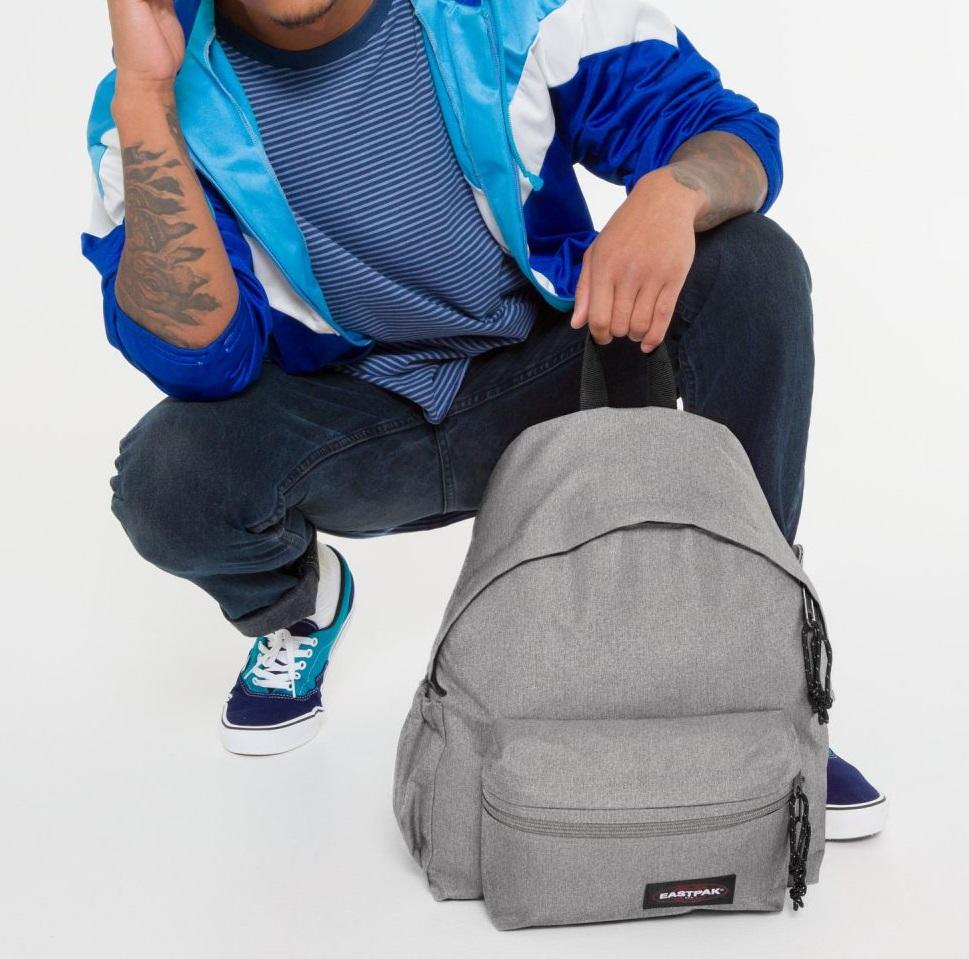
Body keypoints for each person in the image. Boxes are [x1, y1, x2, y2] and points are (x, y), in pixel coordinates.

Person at [83, 0, 886, 839]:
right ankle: (301, 604)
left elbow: (725, 133)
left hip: (548, 379)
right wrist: (146, 95)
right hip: (354, 417)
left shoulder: (511, 14)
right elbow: (204, 363)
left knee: (748, 264)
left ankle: (757, 677)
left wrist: (674, 190)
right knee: (169, 478)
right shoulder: (145, 106)